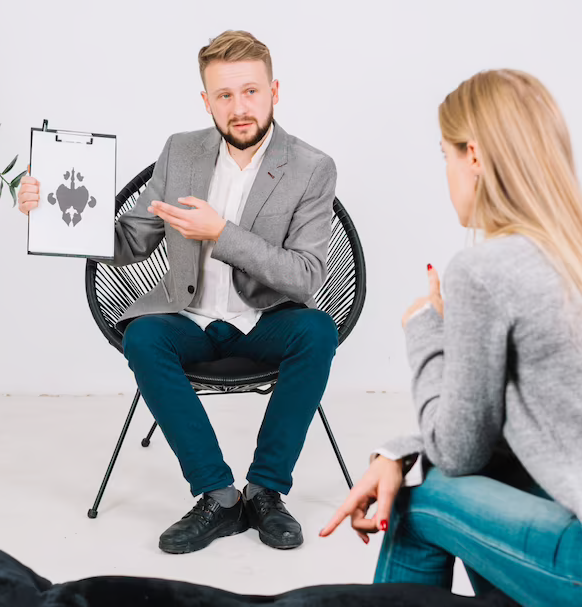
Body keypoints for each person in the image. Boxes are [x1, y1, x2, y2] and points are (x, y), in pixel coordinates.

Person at [18, 30, 339, 554]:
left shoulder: (311, 167)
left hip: (266, 321)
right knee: (143, 339)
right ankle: (218, 497)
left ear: (275, 91)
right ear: (206, 100)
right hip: (188, 317)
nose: (240, 108)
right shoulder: (181, 151)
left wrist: (221, 233)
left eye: (251, 91)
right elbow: (131, 239)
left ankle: (265, 490)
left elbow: (306, 276)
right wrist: (55, 211)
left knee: (317, 332)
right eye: (225, 95)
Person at [320, 69, 582, 606]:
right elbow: (515, 431)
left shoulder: (487, 269)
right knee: (425, 474)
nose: (446, 172)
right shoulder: (567, 255)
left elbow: (459, 453)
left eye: (445, 155)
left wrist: (425, 328)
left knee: (415, 501)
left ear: (476, 156)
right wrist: (395, 452)